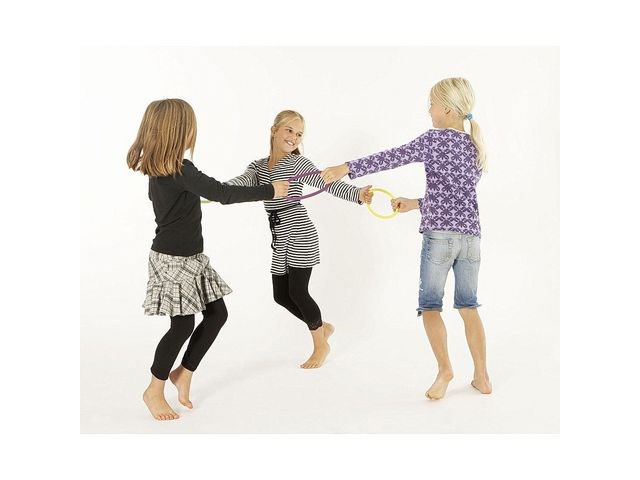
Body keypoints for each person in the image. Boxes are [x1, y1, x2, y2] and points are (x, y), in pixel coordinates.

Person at [321, 78, 491, 399]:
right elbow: (454, 198)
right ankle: (482, 377)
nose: (428, 109)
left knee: (430, 306)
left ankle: (445, 370)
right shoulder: (474, 147)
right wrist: (415, 204)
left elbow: (393, 156)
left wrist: (345, 167)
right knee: (469, 306)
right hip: (470, 240)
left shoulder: (434, 139)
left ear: (446, 109)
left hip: (439, 239)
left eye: (431, 104)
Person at [127, 98, 289, 420]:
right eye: (190, 127)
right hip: (174, 260)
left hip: (190, 257)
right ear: (178, 131)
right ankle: (154, 389)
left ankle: (184, 372)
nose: (193, 132)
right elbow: (222, 194)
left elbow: (216, 190)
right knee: (182, 326)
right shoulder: (180, 169)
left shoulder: (164, 169)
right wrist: (271, 190)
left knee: (216, 314)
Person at [225, 110, 372, 369]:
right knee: (281, 295)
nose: (294, 137)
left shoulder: (297, 163)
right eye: (289, 130)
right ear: (274, 131)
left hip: (300, 231)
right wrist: (215, 190)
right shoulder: (258, 167)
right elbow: (241, 182)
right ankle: (322, 327)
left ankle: (320, 345)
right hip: (280, 234)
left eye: (299, 134)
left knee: (298, 291)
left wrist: (357, 194)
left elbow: (327, 182)